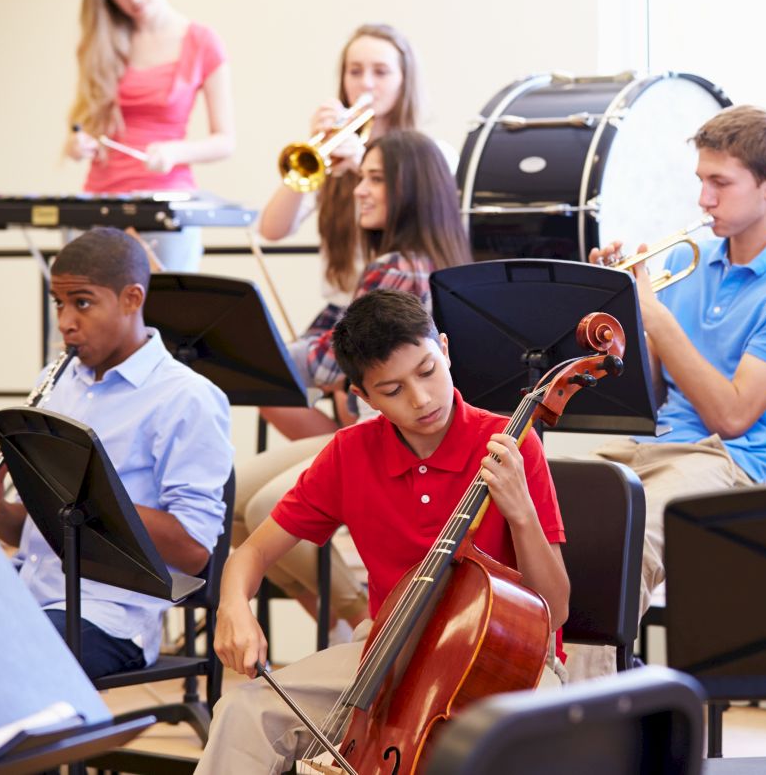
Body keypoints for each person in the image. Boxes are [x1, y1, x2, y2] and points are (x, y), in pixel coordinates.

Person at [196, 289, 569, 773]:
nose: (420, 399)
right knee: (243, 711)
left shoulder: (510, 444)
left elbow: (556, 608)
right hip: (389, 653)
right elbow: (252, 554)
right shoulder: (349, 453)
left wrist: (520, 513)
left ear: (445, 349)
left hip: (507, 662)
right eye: (392, 391)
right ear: (362, 397)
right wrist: (233, 607)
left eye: (427, 371)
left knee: (489, 750)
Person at [568, 104, 766, 680]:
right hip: (654, 444)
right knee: (536, 513)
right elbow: (652, 390)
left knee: (616, 550)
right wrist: (619, 311)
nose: (704, 200)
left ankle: (577, 714)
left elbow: (731, 416)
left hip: (726, 462)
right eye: (701, 181)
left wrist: (655, 317)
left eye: (720, 183)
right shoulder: (695, 264)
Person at [237, 130, 471, 635]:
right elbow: (331, 337)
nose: (359, 190)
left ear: (412, 190)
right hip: (371, 426)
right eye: (361, 177)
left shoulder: (399, 266)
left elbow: (327, 361)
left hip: (392, 433)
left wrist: (253, 352)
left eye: (375, 180)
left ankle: (361, 616)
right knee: (233, 501)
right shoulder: (412, 257)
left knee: (259, 508)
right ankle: (343, 623)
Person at [0, 228, 232, 679]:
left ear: (131, 299)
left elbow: (194, 550)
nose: (65, 322)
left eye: (82, 303)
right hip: (27, 592)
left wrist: (94, 503)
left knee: (6, 665)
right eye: (59, 304)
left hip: (109, 616)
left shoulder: (186, 397)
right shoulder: (55, 382)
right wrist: (0, 512)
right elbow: (41, 528)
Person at [256, 24, 450, 415]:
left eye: (381, 71)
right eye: (355, 71)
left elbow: (414, 228)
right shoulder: (332, 153)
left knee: (354, 403)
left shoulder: (430, 153)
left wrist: (362, 163)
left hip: (394, 311)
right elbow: (271, 229)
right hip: (341, 310)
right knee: (264, 387)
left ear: (404, 80)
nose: (366, 83)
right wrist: (316, 148)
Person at [64, 0, 234, 272]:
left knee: (169, 302)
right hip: (102, 198)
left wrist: (174, 152)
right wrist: (77, 144)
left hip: (166, 204)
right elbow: (86, 125)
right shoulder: (100, 45)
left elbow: (225, 141)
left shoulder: (202, 42)